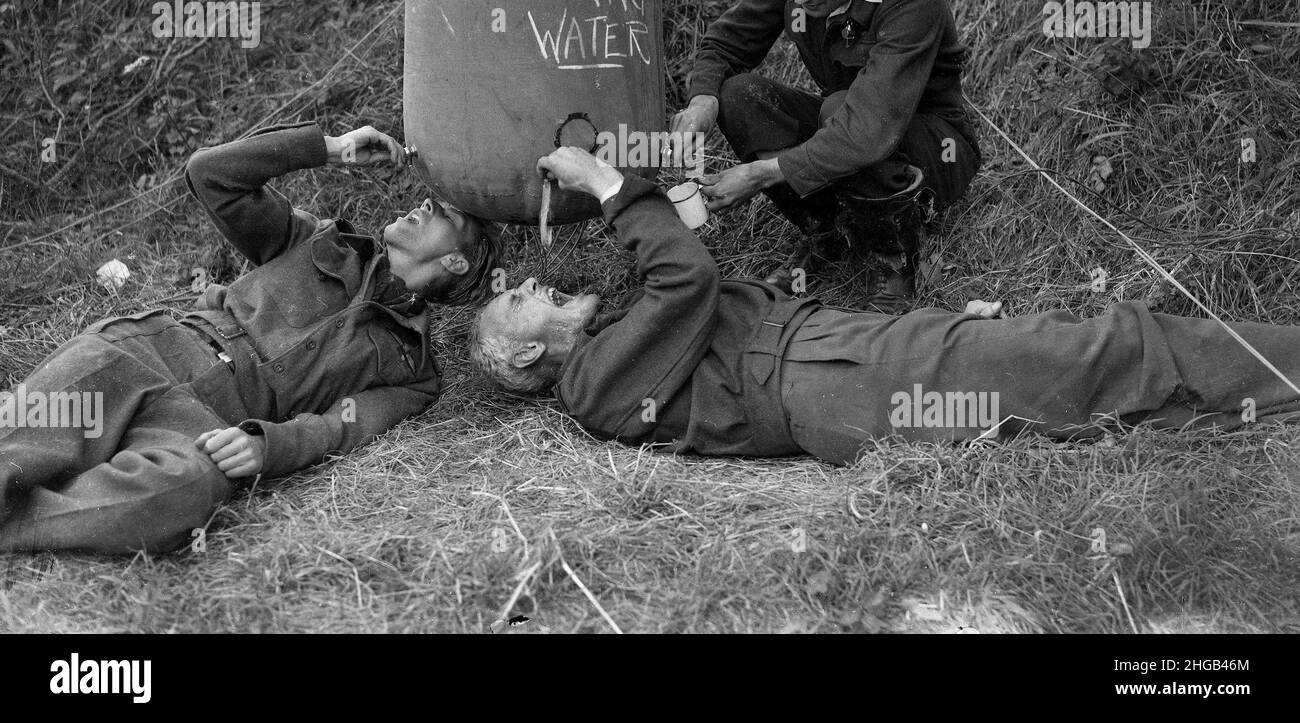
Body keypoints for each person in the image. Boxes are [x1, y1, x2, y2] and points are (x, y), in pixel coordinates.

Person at [469, 148, 1299, 461]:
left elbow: (682, 285)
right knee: (1087, 351)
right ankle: (1278, 369)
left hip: (843, 354)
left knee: (1063, 374)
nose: (527, 285)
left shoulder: (611, 344)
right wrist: (608, 183)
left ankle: (1255, 391)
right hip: (831, 378)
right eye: (514, 304)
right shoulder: (587, 390)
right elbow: (684, 281)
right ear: (522, 359)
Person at [0, 121, 499, 553]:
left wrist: (268, 446)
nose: (425, 204)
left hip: (208, 420)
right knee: (18, 452)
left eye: (444, 214)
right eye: (432, 200)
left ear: (455, 261)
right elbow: (211, 174)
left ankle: (19, 524)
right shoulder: (317, 240)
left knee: (186, 491)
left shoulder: (412, 371)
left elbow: (341, 428)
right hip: (152, 350)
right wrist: (327, 148)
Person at [668, 0, 980, 309]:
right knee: (739, 94)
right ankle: (829, 234)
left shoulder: (912, 0)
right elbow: (725, 44)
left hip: (929, 147)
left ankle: (894, 258)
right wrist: (703, 99)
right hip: (848, 122)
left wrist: (762, 174)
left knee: (841, 110)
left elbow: (868, 130)